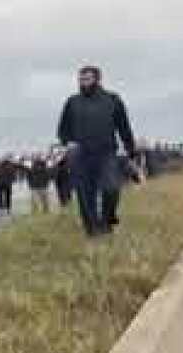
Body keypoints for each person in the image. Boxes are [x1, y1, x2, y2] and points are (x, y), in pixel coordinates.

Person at [57, 65, 136, 236]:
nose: (83, 83)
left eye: (87, 79)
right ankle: (93, 230)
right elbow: (63, 129)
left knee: (111, 188)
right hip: (81, 155)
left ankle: (107, 220)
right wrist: (67, 142)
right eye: (81, 80)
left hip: (107, 153)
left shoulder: (112, 100)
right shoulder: (72, 102)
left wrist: (130, 151)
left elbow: (124, 127)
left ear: (97, 80)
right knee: (85, 195)